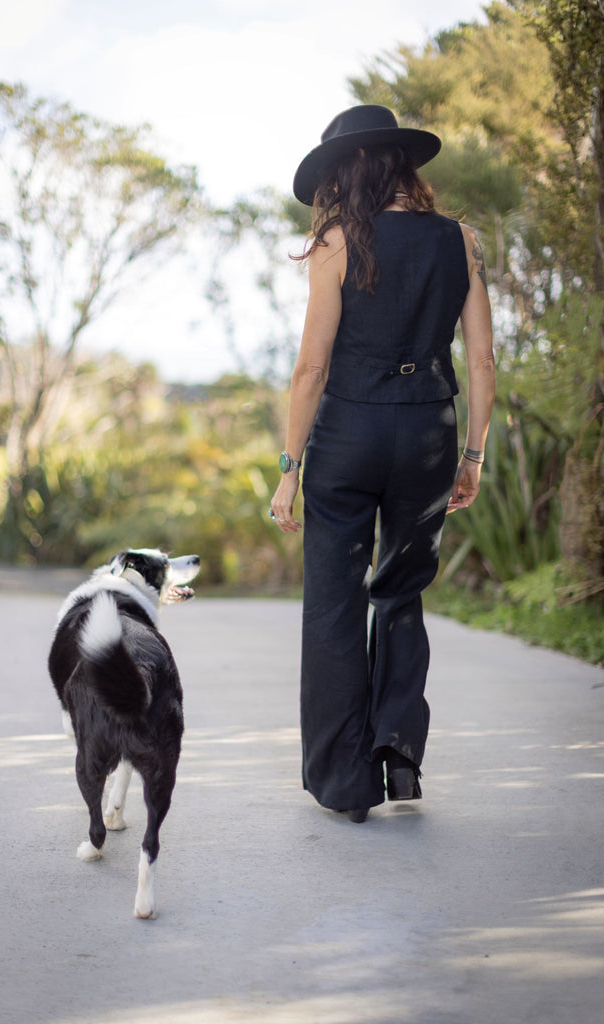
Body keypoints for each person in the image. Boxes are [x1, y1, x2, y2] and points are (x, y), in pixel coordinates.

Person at [270, 105, 495, 823]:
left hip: (347, 432)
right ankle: (398, 755)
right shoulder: (459, 240)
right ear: (401, 164)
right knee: (400, 590)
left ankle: (343, 783)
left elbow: (311, 367)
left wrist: (288, 465)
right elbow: (483, 359)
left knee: (334, 601)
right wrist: (473, 454)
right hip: (427, 427)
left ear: (351, 170)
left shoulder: (336, 241)